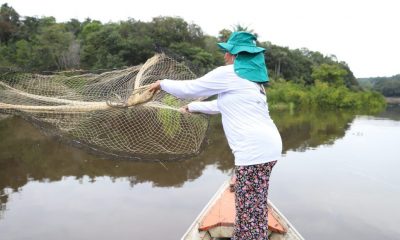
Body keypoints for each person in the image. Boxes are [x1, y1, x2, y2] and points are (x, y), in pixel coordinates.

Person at [149, 31, 282, 240]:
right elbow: (220, 105)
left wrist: (162, 83)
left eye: (228, 52)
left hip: (254, 153)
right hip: (268, 149)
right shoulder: (252, 82)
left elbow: (191, 88)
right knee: (253, 208)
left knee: (248, 215)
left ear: (236, 55)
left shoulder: (230, 74)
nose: (225, 56)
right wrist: (193, 107)